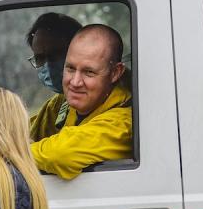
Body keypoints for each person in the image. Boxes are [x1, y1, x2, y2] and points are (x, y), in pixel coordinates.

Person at [31, 24, 133, 179]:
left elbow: (60, 154)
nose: (75, 82)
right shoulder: (63, 104)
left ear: (115, 73)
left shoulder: (123, 123)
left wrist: (13, 153)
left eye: (89, 72)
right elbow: (26, 129)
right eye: (70, 69)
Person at [27, 12, 81, 142]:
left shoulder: (115, 105)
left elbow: (65, 151)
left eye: (55, 55)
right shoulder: (58, 104)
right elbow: (28, 130)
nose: (49, 66)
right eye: (40, 58)